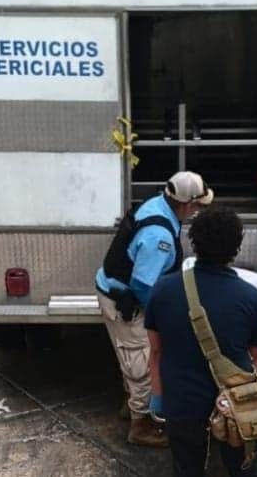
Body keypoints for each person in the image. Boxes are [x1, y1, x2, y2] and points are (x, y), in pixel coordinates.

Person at [95, 171, 213, 447]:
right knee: (143, 363)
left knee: (133, 356)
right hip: (126, 302)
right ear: (185, 204)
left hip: (118, 292)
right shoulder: (158, 236)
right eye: (196, 206)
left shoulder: (159, 204)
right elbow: (142, 284)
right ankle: (141, 425)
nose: (197, 211)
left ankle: (133, 404)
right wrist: (161, 318)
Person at [145, 208, 257, 477]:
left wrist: (158, 397)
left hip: (182, 402)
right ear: (236, 247)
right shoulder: (251, 297)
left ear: (193, 242)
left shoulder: (163, 290)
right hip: (235, 402)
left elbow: (156, 352)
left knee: (187, 467)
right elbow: (255, 358)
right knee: (242, 467)